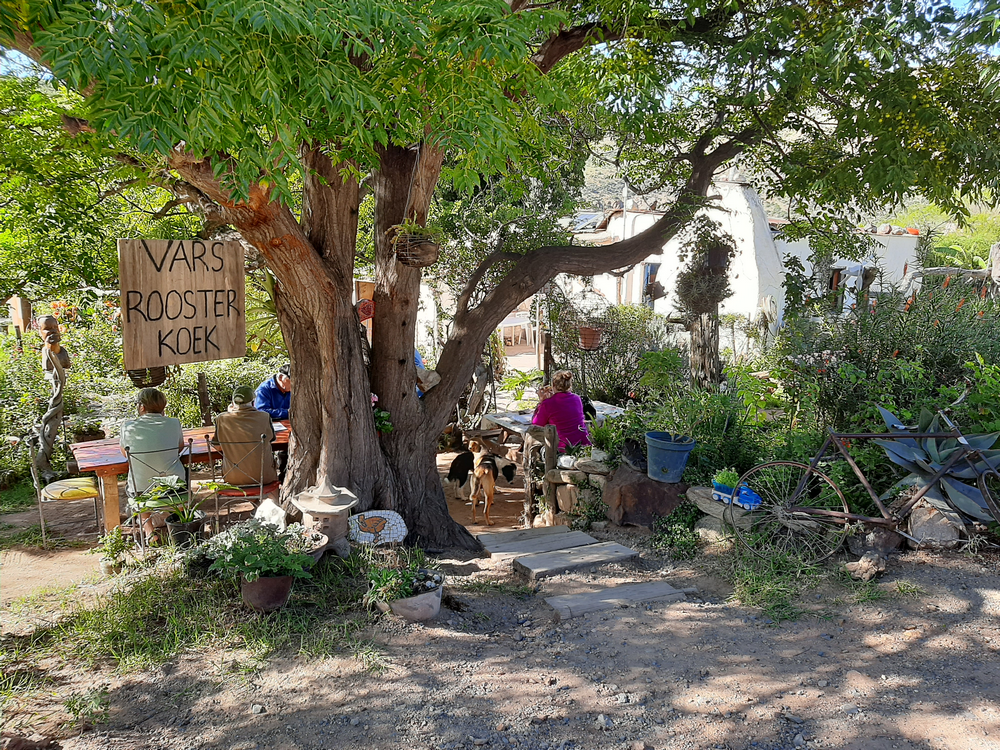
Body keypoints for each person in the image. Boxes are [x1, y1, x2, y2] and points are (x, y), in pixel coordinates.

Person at [119, 388, 186, 500]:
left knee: (132, 488)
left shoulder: (127, 426)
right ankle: (180, 510)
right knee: (183, 473)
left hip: (141, 490)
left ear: (142, 407)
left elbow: (126, 454)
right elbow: (180, 447)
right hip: (175, 487)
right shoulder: (174, 423)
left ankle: (144, 513)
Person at [212, 386, 278, 487]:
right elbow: (271, 439)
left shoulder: (221, 419)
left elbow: (217, 446)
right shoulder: (264, 417)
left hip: (232, 478)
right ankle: (274, 497)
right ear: (253, 402)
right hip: (264, 478)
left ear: (233, 403)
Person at [531, 370, 592, 452]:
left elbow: (536, 425)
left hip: (564, 447)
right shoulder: (577, 398)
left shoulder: (548, 403)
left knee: (534, 444)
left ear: (553, 385)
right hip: (583, 444)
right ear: (569, 385)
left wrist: (541, 402)